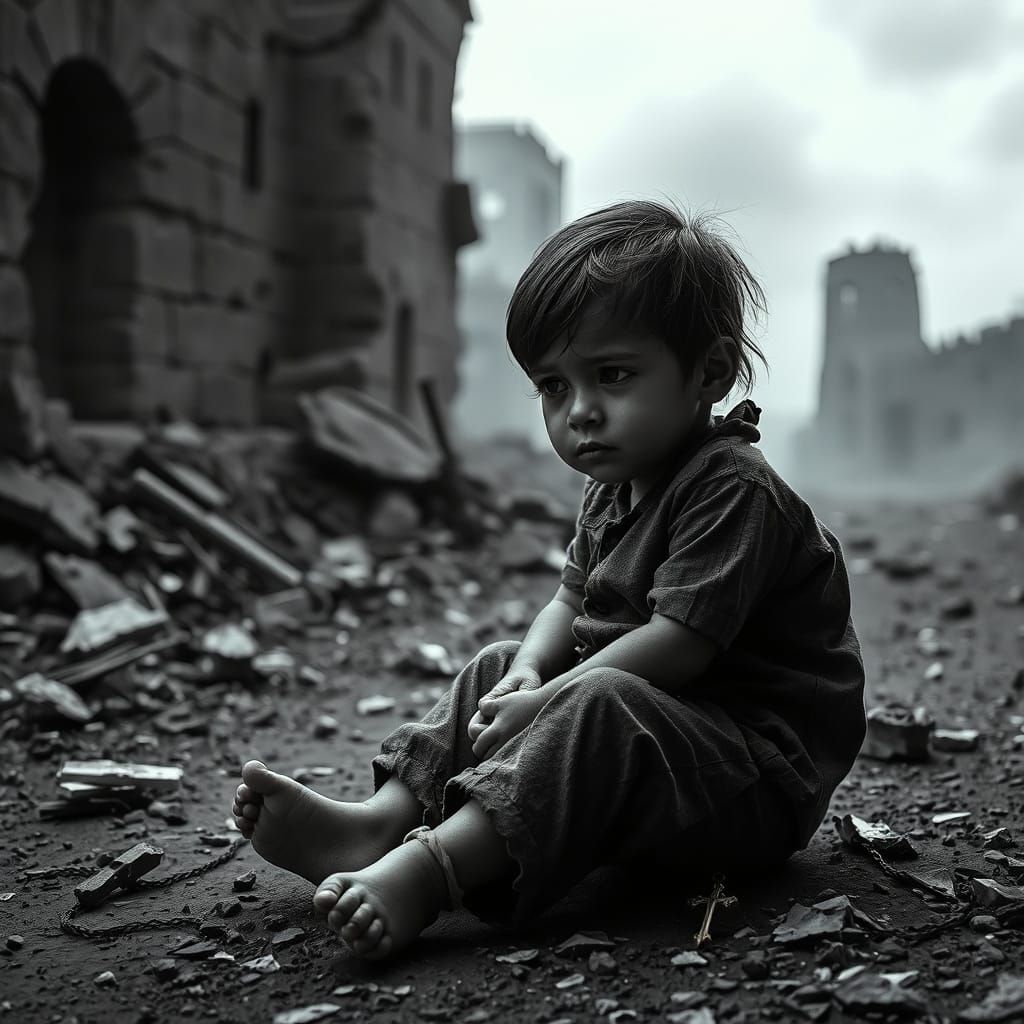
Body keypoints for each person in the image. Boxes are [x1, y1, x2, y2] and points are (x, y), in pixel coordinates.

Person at [230, 200, 866, 960]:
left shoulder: (732, 488)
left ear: (711, 371)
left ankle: (433, 870)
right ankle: (379, 822)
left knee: (594, 697)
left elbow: (678, 647)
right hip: (656, 748)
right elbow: (570, 599)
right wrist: (530, 673)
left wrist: (550, 700)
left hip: (751, 783)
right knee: (500, 662)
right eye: (553, 388)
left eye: (613, 375)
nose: (581, 413)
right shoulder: (616, 485)